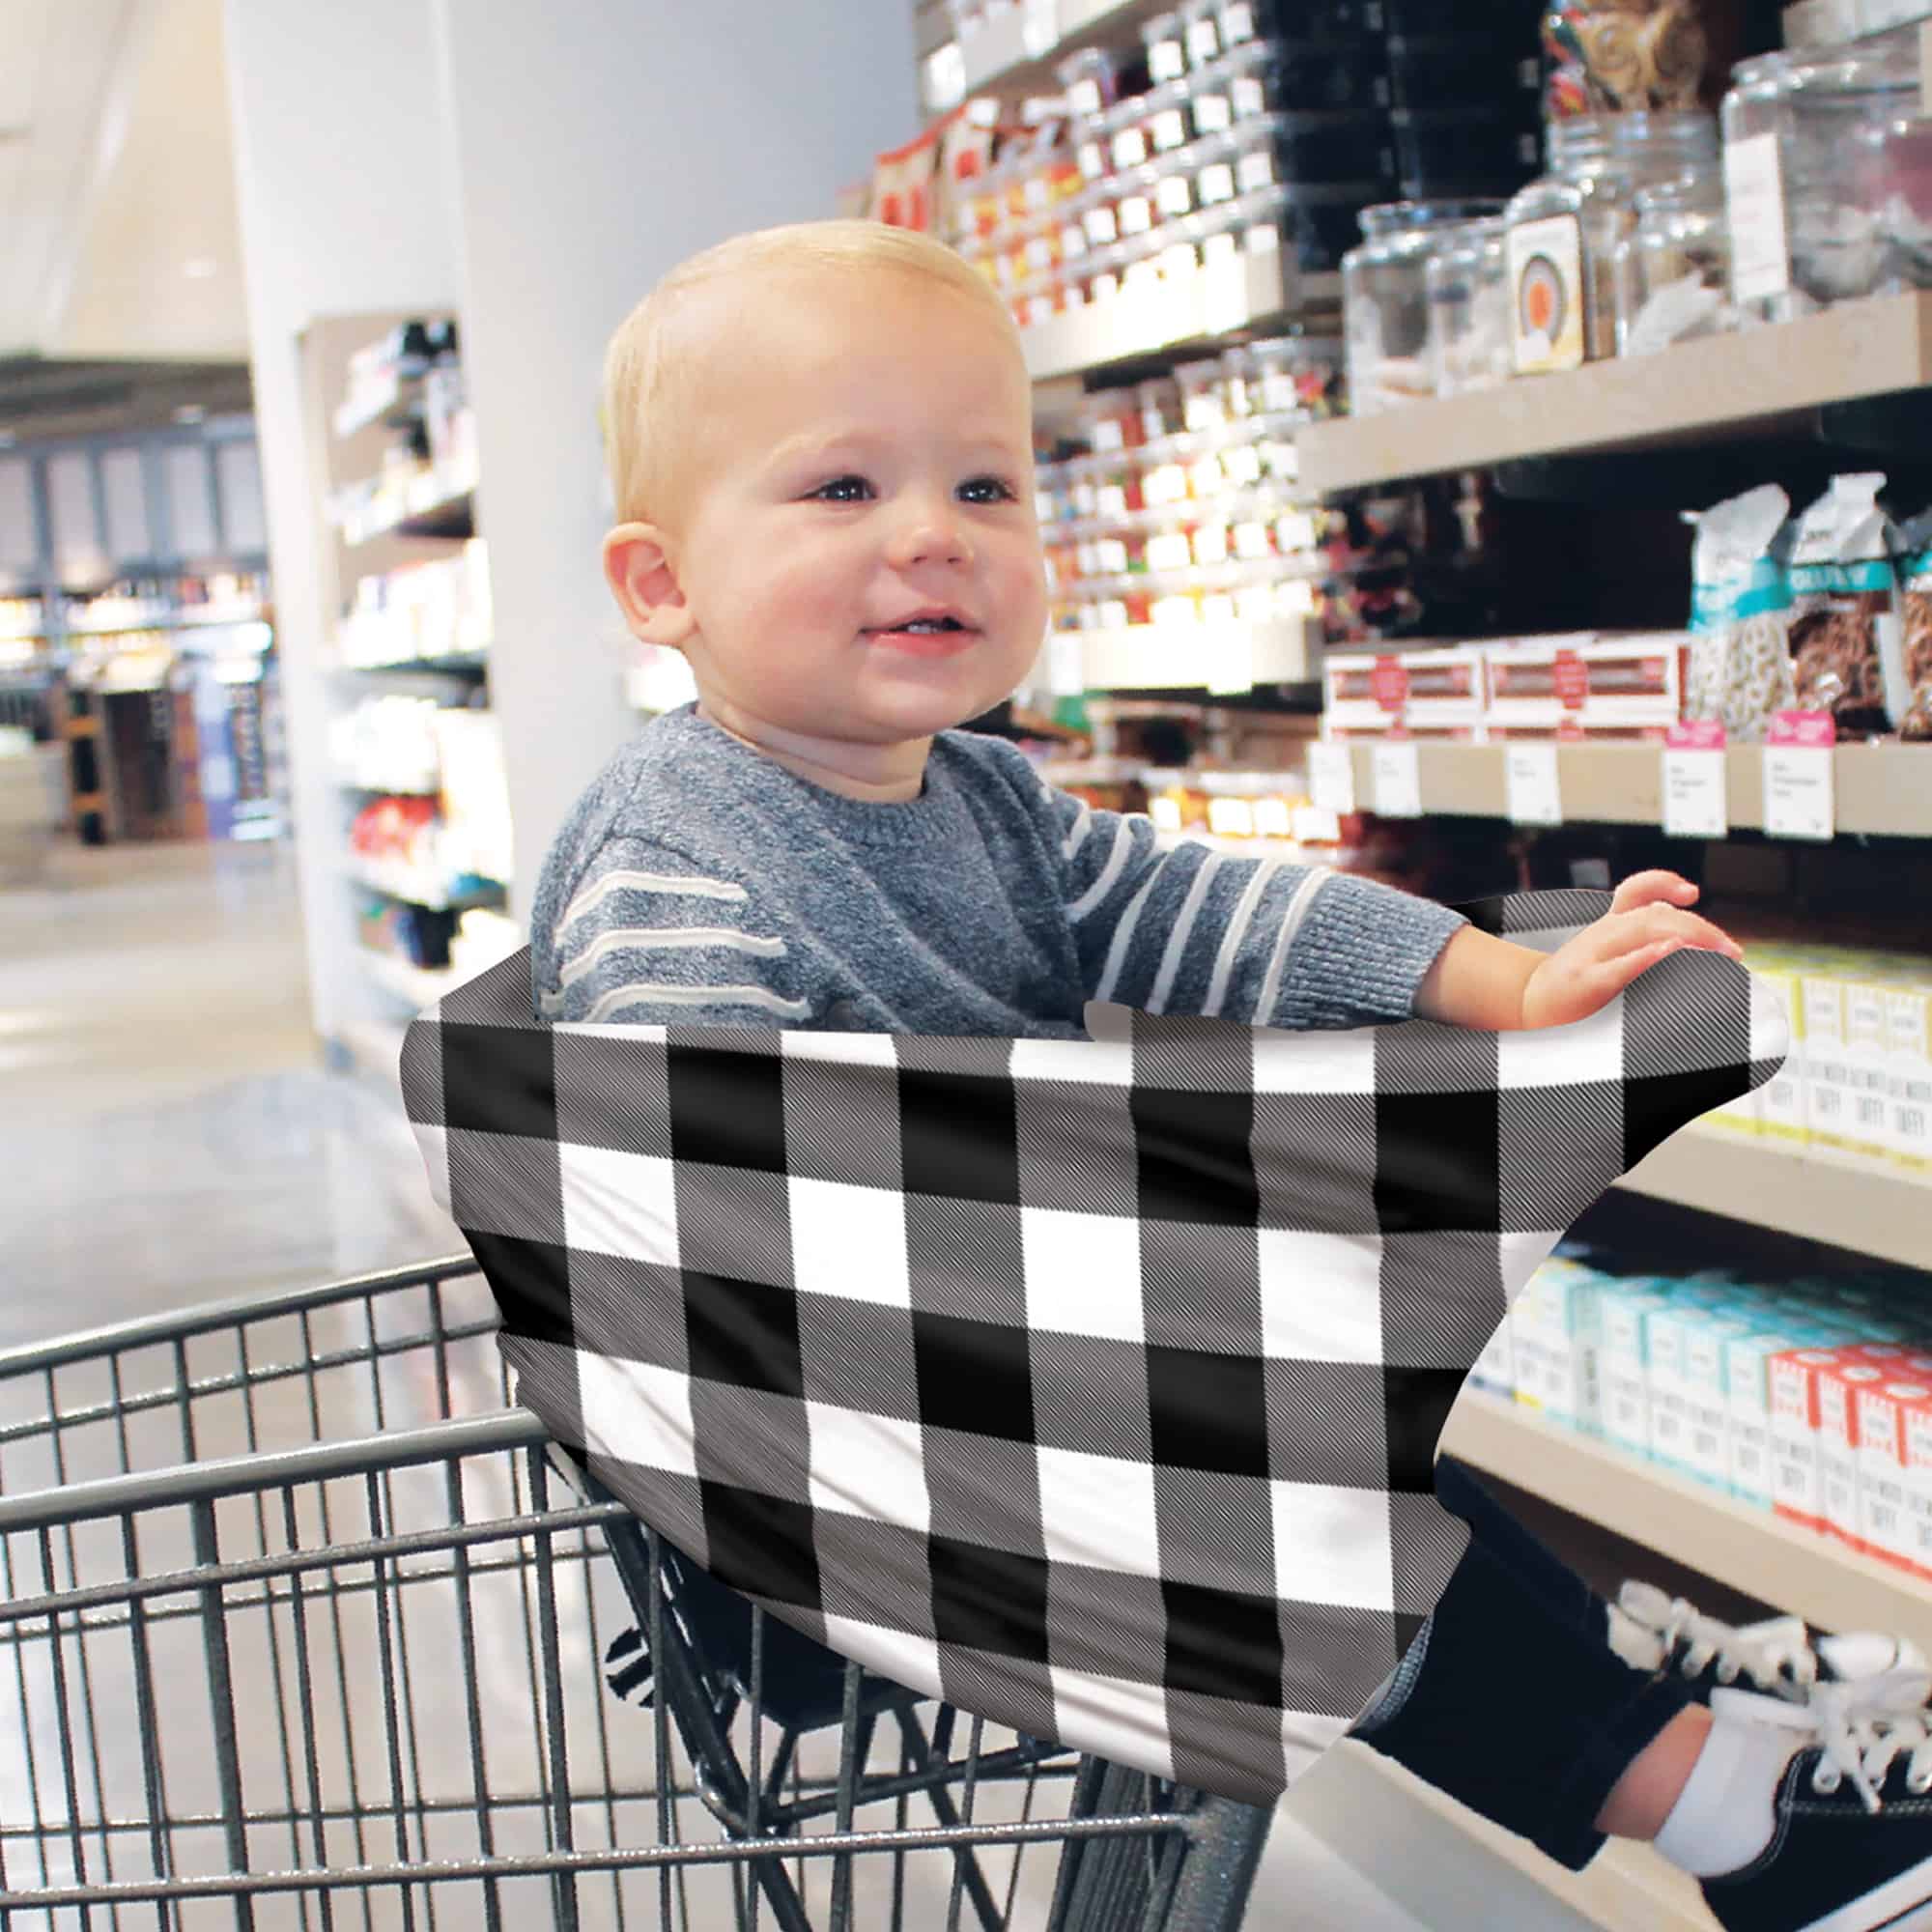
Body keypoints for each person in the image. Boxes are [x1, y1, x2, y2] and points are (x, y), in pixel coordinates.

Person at [528, 216, 1932, 1932]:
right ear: (661, 586)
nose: (932, 539)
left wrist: (1503, 978)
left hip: (996, 1411)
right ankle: (1734, 1811)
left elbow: (1190, 907)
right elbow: (689, 1180)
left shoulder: (972, 798)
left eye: (986, 489)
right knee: (1302, 1514)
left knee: (1356, 1458)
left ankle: (1704, 1752)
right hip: (824, 1488)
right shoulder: (682, 855)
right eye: (841, 491)